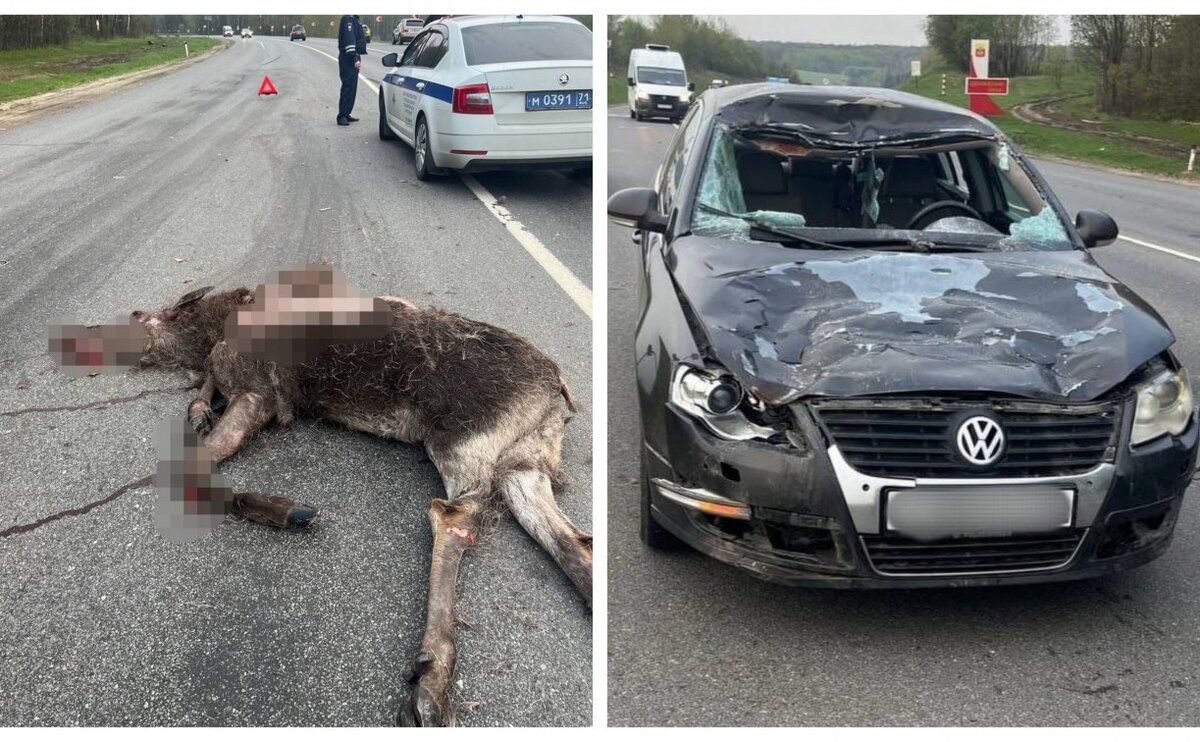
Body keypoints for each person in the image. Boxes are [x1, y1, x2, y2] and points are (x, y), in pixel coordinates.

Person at [336, 14, 367, 126]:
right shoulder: (348, 19)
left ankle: (346, 113)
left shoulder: (354, 19)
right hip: (348, 58)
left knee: (352, 88)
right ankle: (342, 116)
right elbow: (349, 39)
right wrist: (354, 58)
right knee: (348, 87)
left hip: (353, 56)